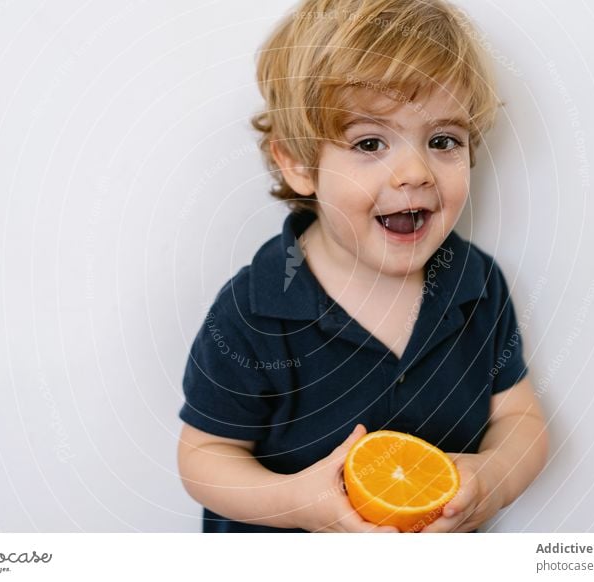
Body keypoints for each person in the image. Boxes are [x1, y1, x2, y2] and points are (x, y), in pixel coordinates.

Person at [177, 0, 548, 533]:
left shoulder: (476, 286)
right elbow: (206, 455)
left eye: (443, 140)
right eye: (370, 142)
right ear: (299, 165)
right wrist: (296, 502)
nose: (415, 171)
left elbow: (521, 419)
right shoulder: (255, 311)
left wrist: (493, 478)